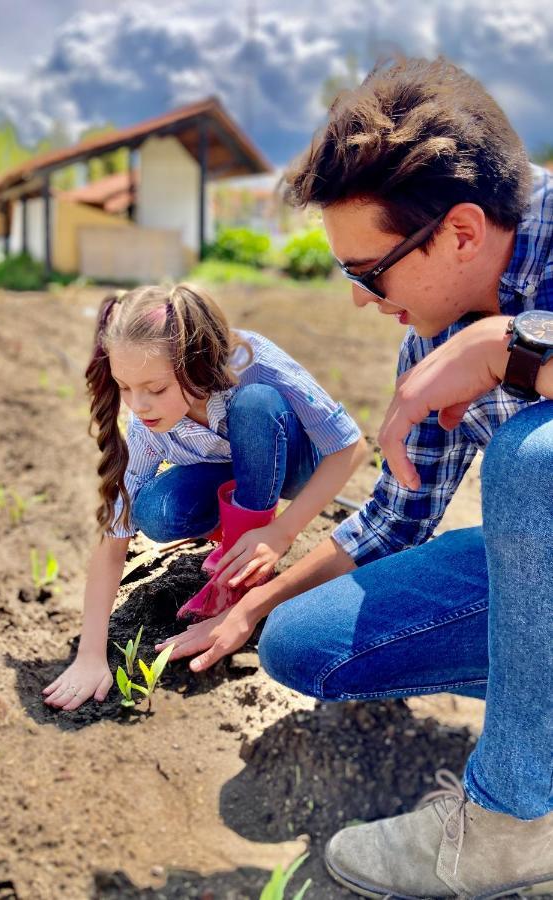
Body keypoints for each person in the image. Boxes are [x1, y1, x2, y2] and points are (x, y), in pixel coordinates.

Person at [158, 58, 553, 897]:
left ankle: (517, 817)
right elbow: (395, 520)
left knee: (532, 458)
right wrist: (253, 606)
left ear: (458, 231)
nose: (360, 301)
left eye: (367, 273)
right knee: (307, 644)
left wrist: (512, 352)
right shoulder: (433, 335)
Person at [43, 282, 365, 712]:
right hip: (230, 472)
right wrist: (90, 656)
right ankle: (232, 542)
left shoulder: (252, 360)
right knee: (154, 511)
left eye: (155, 389)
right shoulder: (145, 430)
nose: (138, 405)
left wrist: (281, 532)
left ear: (194, 363)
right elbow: (113, 540)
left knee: (254, 405)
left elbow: (349, 448)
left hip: (292, 460)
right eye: (124, 387)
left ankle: (241, 571)